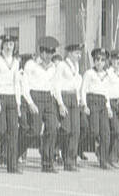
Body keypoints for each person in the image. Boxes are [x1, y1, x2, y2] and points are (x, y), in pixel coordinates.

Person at [24, 36, 65, 173]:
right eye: (47, 52)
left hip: (49, 98)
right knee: (34, 131)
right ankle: (14, 153)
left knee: (52, 129)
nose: (49, 56)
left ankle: (47, 163)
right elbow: (25, 85)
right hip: (35, 96)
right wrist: (30, 102)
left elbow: (56, 87)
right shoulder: (31, 65)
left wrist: (60, 104)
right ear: (41, 52)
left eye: (52, 53)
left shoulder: (54, 67)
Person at [0, 33, 24, 173]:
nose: (9, 47)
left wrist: (18, 103)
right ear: (2, 45)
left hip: (12, 97)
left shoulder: (16, 62)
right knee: (1, 129)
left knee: (13, 132)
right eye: (6, 44)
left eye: (11, 44)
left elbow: (16, 83)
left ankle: (12, 165)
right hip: (1, 97)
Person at [80, 48, 112, 169]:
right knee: (94, 131)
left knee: (106, 132)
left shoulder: (106, 75)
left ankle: (103, 159)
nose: (100, 62)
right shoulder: (89, 73)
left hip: (102, 103)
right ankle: (79, 148)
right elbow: (83, 89)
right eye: (97, 59)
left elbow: (106, 92)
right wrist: (84, 104)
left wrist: (108, 107)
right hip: (92, 101)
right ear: (94, 60)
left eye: (103, 60)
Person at [55, 43, 84, 171]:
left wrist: (78, 99)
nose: (79, 55)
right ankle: (56, 150)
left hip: (73, 98)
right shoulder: (61, 65)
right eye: (77, 53)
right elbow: (56, 84)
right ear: (69, 53)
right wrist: (60, 103)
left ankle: (70, 161)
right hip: (64, 97)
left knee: (76, 130)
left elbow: (76, 84)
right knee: (66, 129)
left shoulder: (76, 66)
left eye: (80, 53)